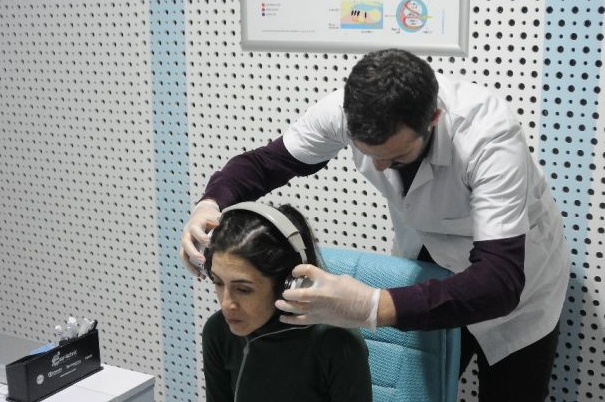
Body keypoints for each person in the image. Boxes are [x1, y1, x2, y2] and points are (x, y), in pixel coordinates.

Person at [182, 48, 570, 401]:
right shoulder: (342, 111)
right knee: (419, 390)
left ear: (433, 120)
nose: (381, 168)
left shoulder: (488, 138)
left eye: (396, 157)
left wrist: (372, 305)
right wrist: (210, 203)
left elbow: (499, 282)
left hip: (514, 285)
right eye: (368, 154)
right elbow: (264, 164)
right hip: (426, 260)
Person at [201, 202, 372, 402]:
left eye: (244, 289)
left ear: (288, 285)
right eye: (218, 282)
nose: (226, 304)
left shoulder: (337, 342)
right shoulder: (218, 331)